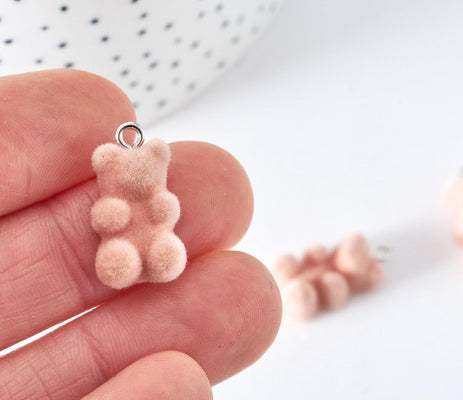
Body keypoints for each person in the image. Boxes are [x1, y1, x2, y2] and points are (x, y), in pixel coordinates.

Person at [0, 69, 282, 399]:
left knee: (165, 248)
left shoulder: (157, 197)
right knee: (118, 257)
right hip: (122, 244)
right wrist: (116, 214)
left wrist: (160, 208)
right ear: (108, 166)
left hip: (155, 239)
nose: (138, 180)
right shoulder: (113, 198)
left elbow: (167, 212)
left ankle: (161, 259)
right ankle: (129, 264)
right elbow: (104, 219)